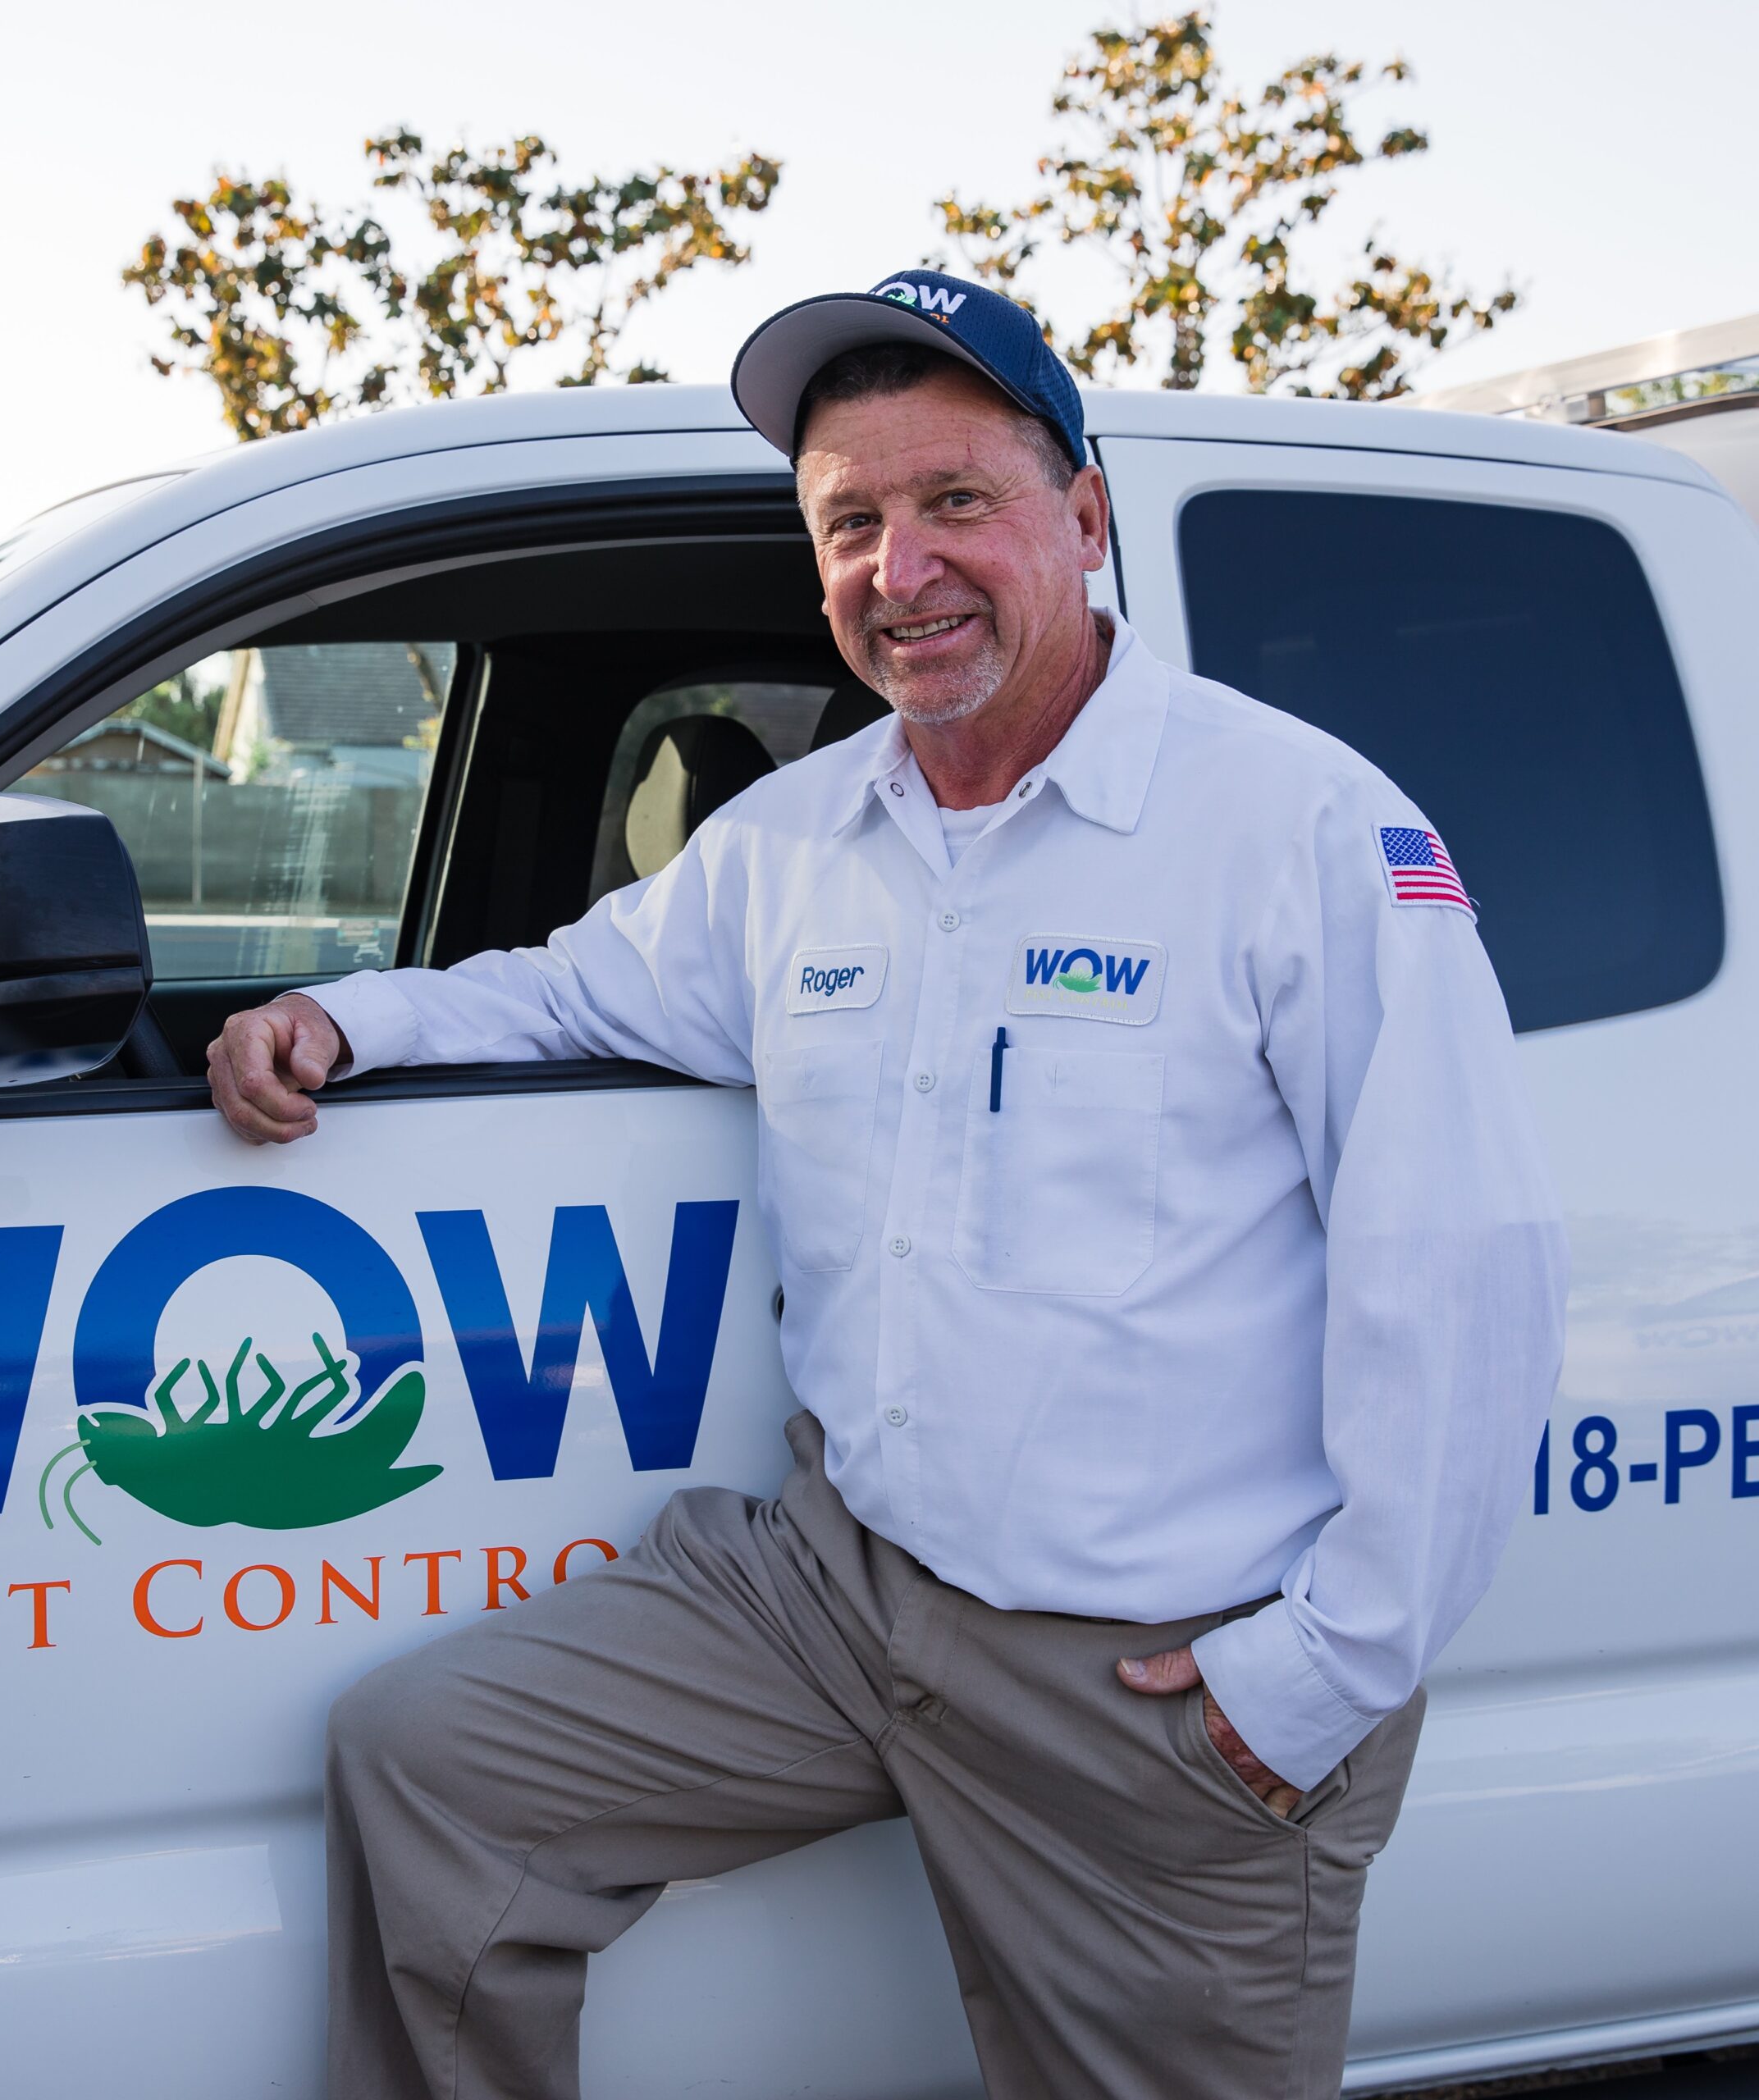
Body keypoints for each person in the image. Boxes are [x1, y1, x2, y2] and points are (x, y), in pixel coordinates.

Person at [207, 267, 1569, 2100]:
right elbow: (559, 989)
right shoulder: (796, 840)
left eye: (954, 503)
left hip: (1145, 1674)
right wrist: (334, 1019)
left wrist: (1317, 1676)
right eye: (847, 520)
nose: (896, 566)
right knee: (433, 1761)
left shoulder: (1297, 828)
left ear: (1080, 516)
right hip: (840, 1588)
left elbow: (1459, 1272)